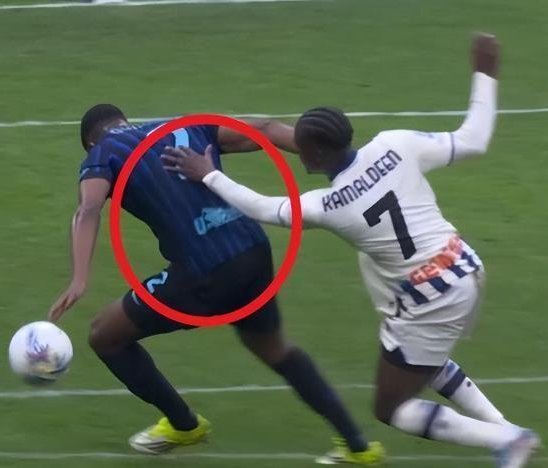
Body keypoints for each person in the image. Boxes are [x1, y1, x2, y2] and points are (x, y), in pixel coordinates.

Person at [162, 33, 541, 467]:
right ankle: (504, 428)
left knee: (392, 407)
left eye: (302, 147)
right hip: (464, 267)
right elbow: (473, 140)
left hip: (429, 298)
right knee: (424, 363)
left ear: (314, 153)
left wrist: (208, 174)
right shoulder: (397, 143)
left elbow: (264, 208)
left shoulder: (330, 206)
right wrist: (485, 73)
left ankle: (508, 438)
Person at [48, 106, 384, 463]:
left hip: (202, 270)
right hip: (252, 251)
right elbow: (265, 127)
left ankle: (184, 425)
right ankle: (358, 447)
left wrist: (79, 277)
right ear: (124, 121)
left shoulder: (102, 154)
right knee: (275, 349)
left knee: (105, 335)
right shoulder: (181, 126)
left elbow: (88, 208)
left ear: (90, 142)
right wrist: (345, 167)